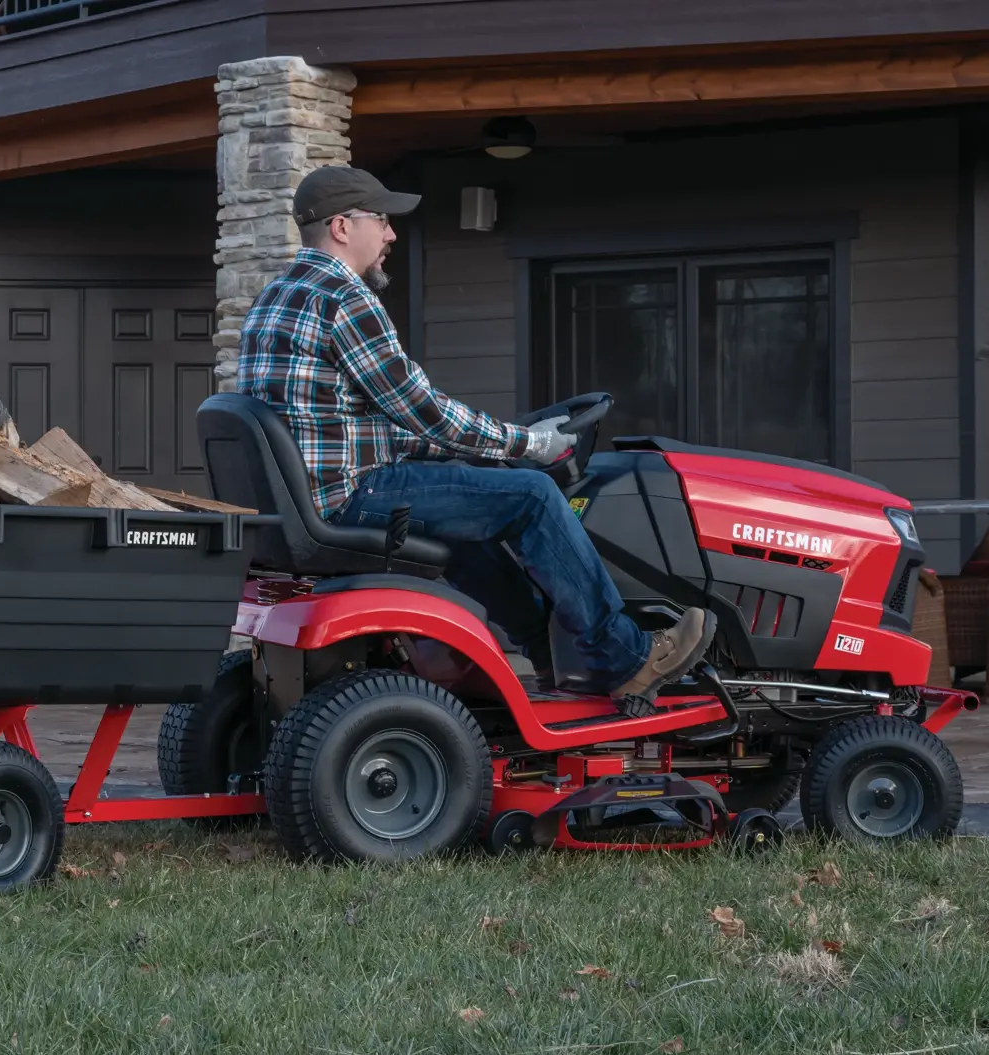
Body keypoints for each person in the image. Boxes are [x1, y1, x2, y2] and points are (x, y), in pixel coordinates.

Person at [235, 165, 714, 701]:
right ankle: (623, 655)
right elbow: (422, 410)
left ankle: (546, 655)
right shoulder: (343, 298)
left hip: (308, 503)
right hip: (350, 498)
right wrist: (529, 445)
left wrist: (487, 449)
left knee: (473, 513)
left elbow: (347, 425)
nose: (392, 234)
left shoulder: (272, 298)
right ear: (343, 227)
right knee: (531, 496)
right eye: (382, 220)